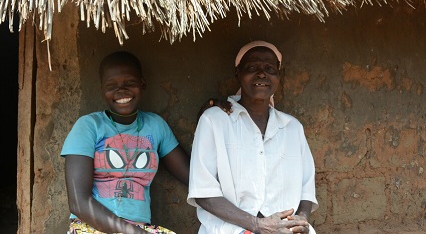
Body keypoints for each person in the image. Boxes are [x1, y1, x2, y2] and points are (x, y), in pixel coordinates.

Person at [187, 40, 318, 234]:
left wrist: (301, 221)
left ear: (279, 76)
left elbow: (306, 189)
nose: (261, 74)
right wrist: (258, 226)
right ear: (238, 73)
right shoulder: (214, 121)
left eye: (269, 68)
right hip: (230, 230)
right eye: (252, 67)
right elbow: (203, 192)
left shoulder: (292, 128)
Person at [61, 51, 190, 234]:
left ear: (142, 84)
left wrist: (209, 114)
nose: (121, 91)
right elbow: (78, 202)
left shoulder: (155, 126)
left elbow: (193, 178)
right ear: (102, 90)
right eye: (111, 85)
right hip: (90, 227)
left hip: (140, 228)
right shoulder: (89, 126)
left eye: (129, 83)